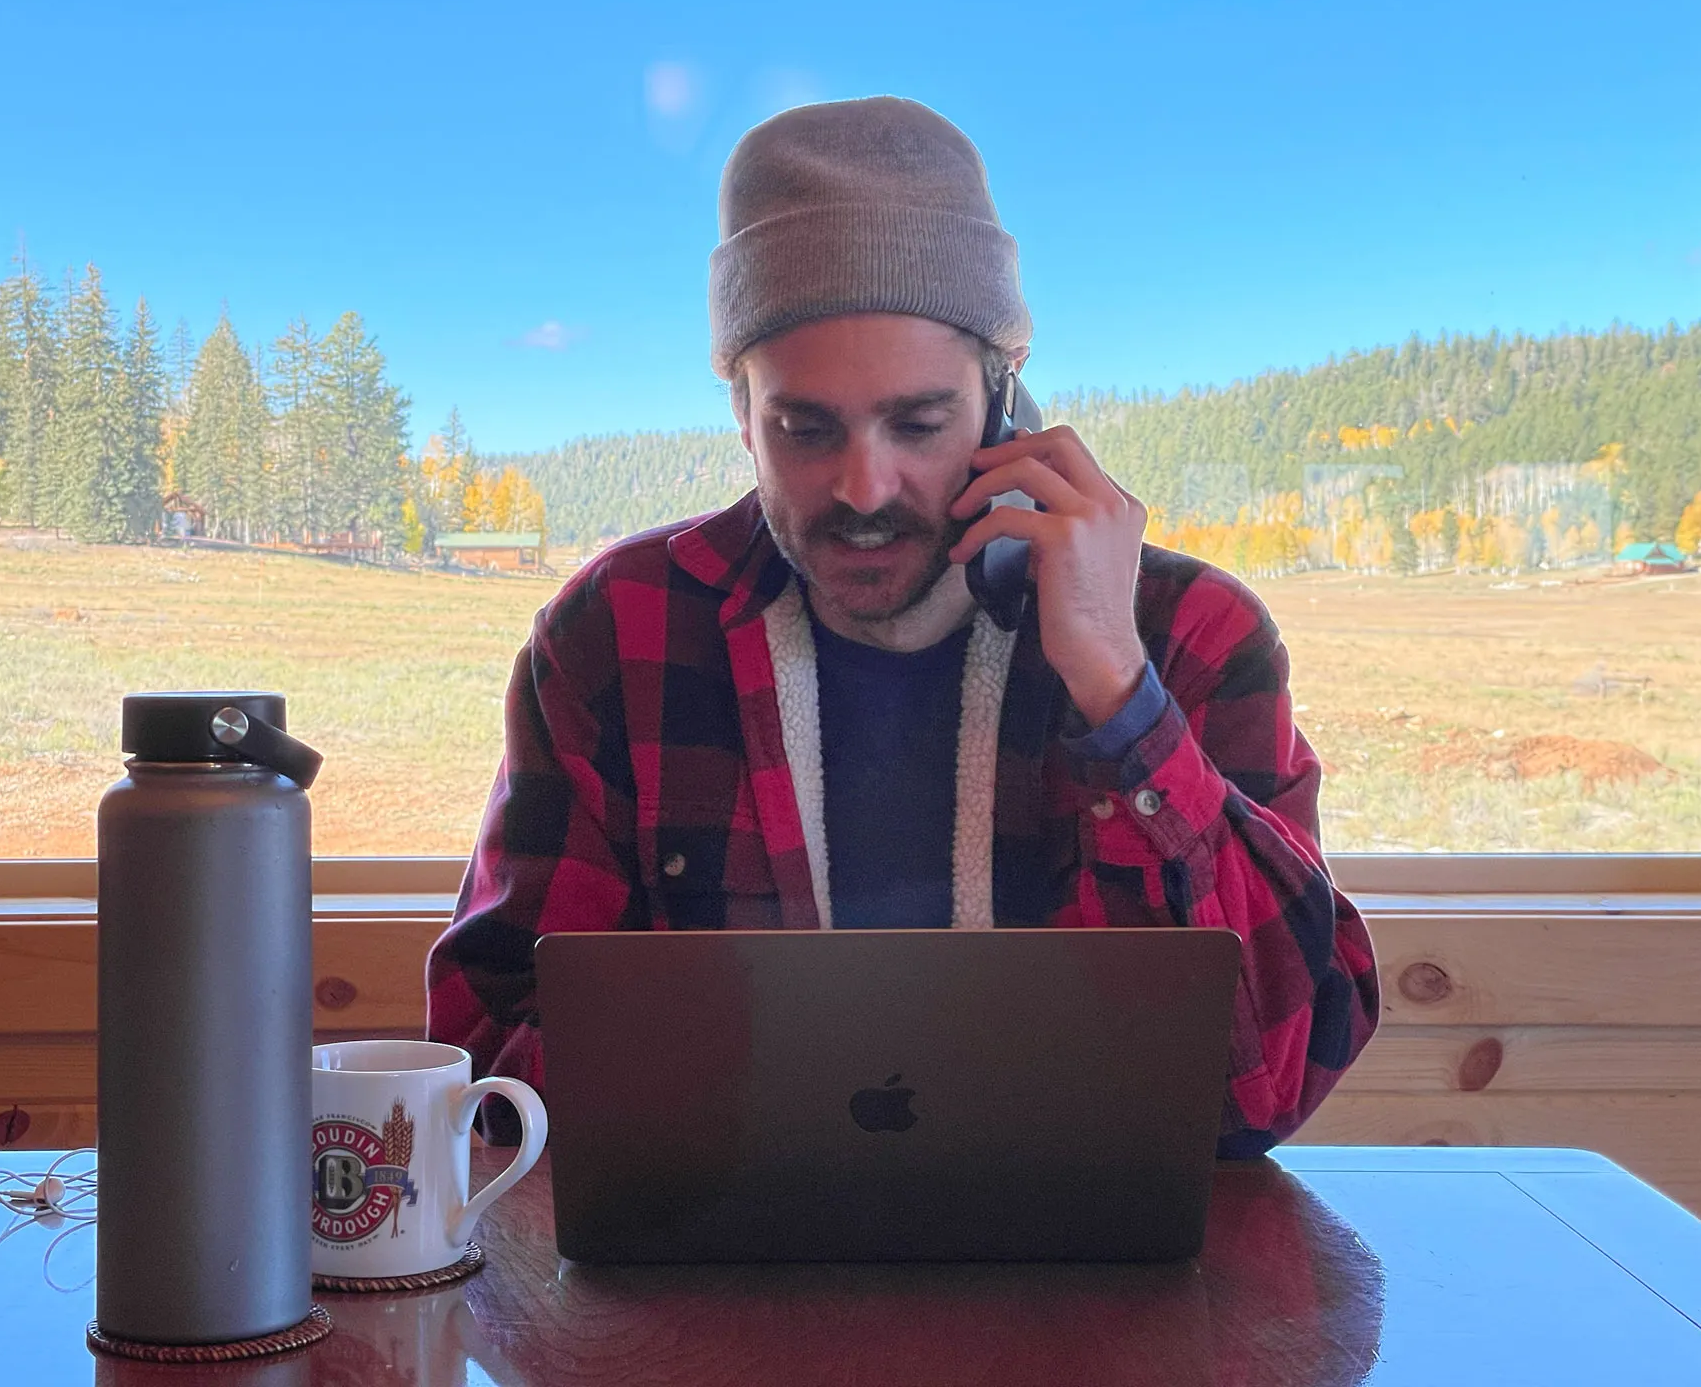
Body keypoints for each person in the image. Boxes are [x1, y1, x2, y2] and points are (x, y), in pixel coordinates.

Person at [427, 96, 1379, 1155]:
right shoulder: (619, 630)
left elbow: (1270, 1090)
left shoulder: (1190, 631)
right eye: (805, 428)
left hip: (1092, 1298)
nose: (865, 487)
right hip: (711, 1285)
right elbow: (488, 1053)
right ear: (741, 414)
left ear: (1002, 403)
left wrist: (1119, 692)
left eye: (919, 423)